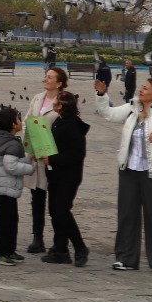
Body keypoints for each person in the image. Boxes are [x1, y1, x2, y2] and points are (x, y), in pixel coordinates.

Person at [93, 73, 152, 275]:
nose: (141, 90)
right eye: (142, 87)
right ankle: (126, 258)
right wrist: (101, 94)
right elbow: (109, 114)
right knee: (127, 215)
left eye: (145, 88)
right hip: (129, 170)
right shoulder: (132, 109)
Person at [25, 65, 68, 254]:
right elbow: (28, 122)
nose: (46, 79)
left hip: (54, 158)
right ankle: (37, 238)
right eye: (46, 76)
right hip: (36, 156)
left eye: (50, 77)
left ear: (59, 83)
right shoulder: (37, 99)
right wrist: (30, 146)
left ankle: (60, 241)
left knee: (56, 202)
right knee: (37, 198)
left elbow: (67, 128)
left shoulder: (65, 101)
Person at [43, 90, 89, 266]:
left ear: (61, 106)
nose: (53, 105)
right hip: (55, 174)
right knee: (55, 211)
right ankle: (60, 249)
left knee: (62, 210)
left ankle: (80, 247)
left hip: (68, 176)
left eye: (56, 103)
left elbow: (77, 153)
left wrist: (53, 159)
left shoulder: (73, 125)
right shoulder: (59, 121)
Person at [0, 106, 35, 265]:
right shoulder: (12, 144)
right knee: (5, 221)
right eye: (18, 119)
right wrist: (30, 168)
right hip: (5, 187)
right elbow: (11, 166)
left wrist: (29, 157)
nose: (21, 121)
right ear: (14, 124)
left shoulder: (2, 139)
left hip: (2, 187)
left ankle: (9, 250)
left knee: (10, 219)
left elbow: (13, 160)